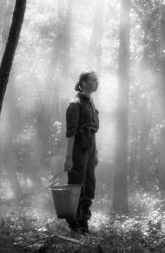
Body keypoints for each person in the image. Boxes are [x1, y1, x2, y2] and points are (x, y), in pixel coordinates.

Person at [64, 71, 99, 233]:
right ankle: (75, 225)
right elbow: (71, 134)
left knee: (90, 184)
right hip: (78, 150)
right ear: (83, 83)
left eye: (97, 80)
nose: (97, 83)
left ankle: (84, 223)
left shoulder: (91, 103)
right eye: (93, 80)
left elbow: (92, 130)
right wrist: (68, 158)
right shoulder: (75, 104)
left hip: (89, 150)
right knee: (77, 185)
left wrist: (95, 153)